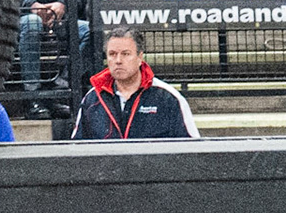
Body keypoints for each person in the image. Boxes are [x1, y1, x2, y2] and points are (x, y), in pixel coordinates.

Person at [71, 29, 199, 139]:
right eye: (112, 54)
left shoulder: (168, 98)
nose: (118, 60)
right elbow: (78, 149)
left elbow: (192, 149)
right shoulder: (92, 98)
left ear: (140, 57)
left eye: (126, 54)